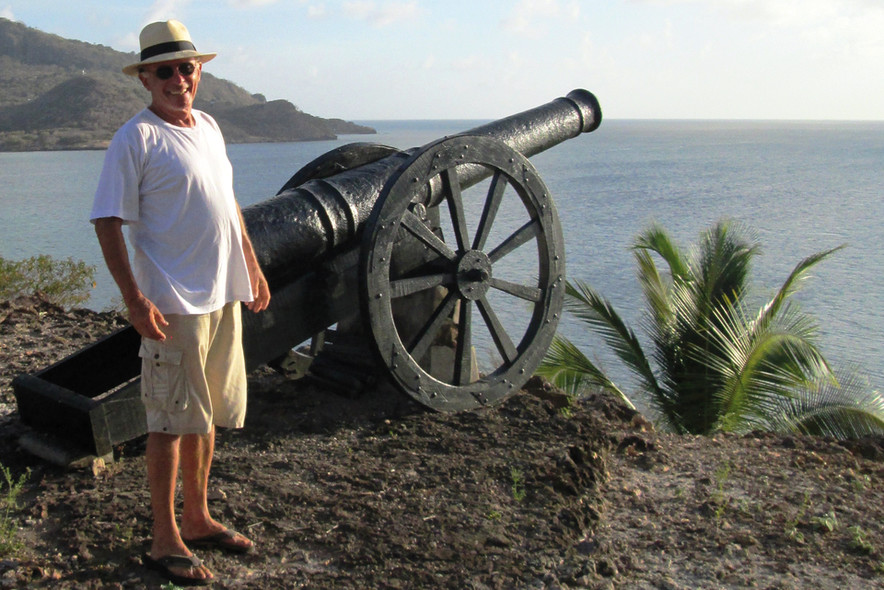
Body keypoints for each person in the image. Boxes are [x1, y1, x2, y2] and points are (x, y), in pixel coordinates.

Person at [91, 20, 270, 587]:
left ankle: (197, 517)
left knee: (207, 414)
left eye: (185, 68)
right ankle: (164, 537)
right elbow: (106, 219)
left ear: (200, 73)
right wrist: (134, 299)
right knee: (168, 422)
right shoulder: (136, 138)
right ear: (145, 77)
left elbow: (228, 203)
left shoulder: (210, 127)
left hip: (220, 295)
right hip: (172, 303)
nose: (177, 79)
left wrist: (252, 265)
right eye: (163, 70)